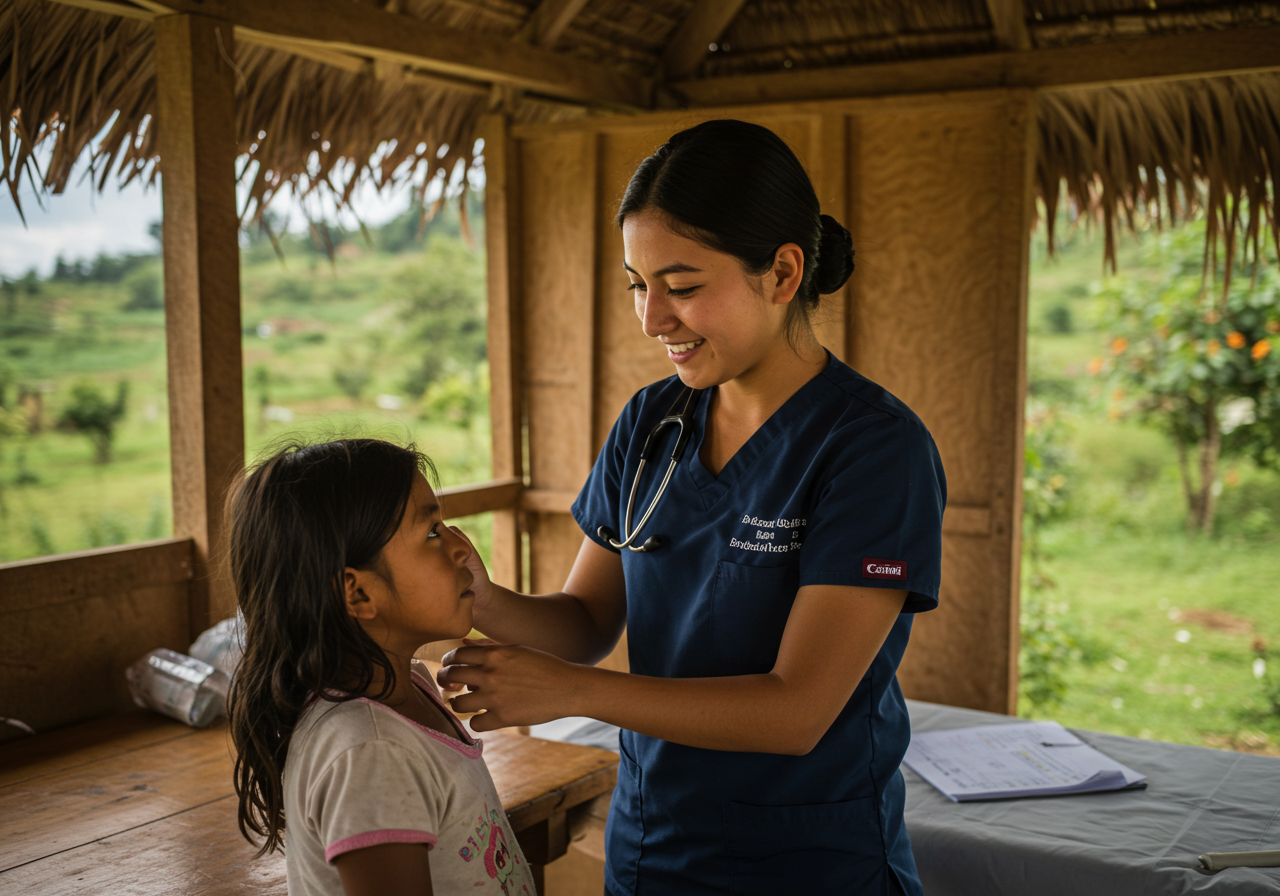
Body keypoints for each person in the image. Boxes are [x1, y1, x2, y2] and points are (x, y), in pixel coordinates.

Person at [439, 119, 946, 896]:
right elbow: (584, 621)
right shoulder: (653, 425)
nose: (651, 320)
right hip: (654, 847)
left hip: (806, 865)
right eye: (639, 286)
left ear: (781, 273)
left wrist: (570, 693)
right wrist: (479, 599)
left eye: (681, 288)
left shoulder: (874, 450)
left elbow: (795, 710)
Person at [227, 438, 536, 896]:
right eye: (432, 532)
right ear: (357, 594)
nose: (460, 548)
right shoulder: (370, 752)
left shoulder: (405, 687)